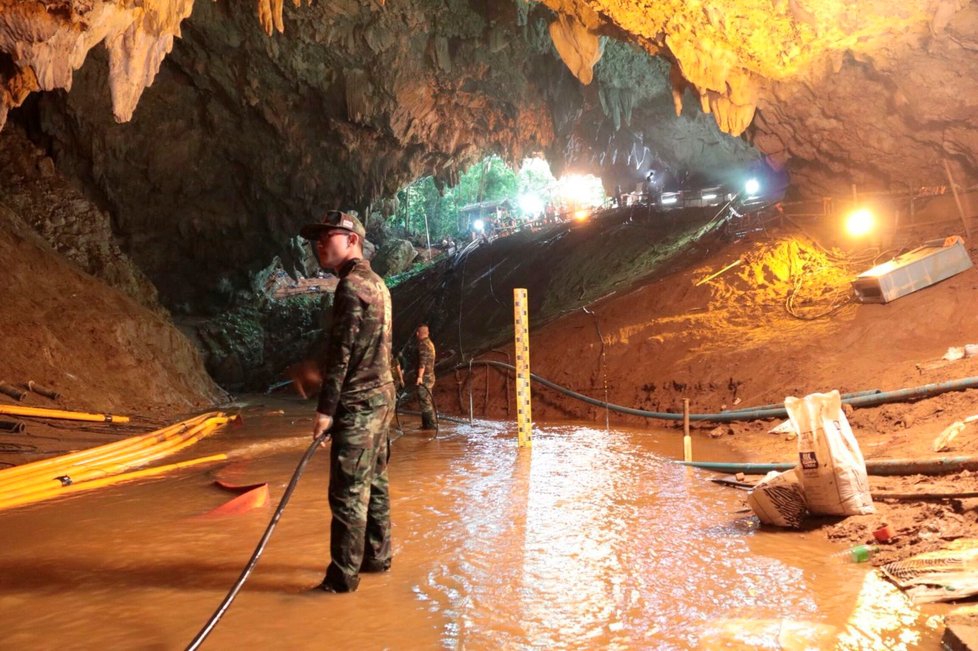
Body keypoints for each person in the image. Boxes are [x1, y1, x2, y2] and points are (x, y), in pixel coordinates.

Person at [299, 209, 395, 593]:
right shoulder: (378, 283)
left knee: (347, 492)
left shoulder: (350, 287)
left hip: (358, 403)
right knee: (376, 480)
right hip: (381, 397)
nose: (319, 244)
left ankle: (341, 581)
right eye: (316, 238)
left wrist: (325, 410)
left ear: (352, 239)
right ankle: (377, 557)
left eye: (328, 237)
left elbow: (342, 355)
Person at [414, 324, 437, 430]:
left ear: (418, 334)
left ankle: (431, 425)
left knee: (424, 400)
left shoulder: (423, 345)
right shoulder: (430, 344)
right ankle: (426, 425)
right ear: (427, 333)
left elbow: (422, 363)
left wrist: (419, 377)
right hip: (430, 375)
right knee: (426, 399)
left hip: (426, 377)